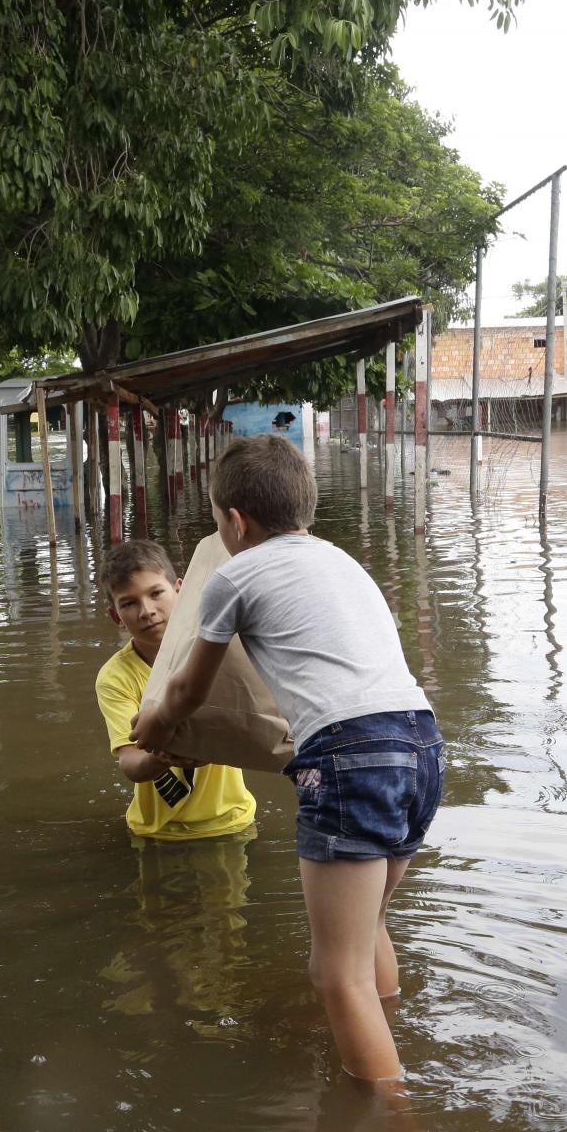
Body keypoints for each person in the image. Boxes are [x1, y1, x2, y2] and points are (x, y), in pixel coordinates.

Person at [135, 435, 441, 1083]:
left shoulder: (234, 575)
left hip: (349, 756)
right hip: (421, 744)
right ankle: (392, 1034)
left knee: (336, 975)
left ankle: (394, 1126)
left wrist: (152, 725)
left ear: (235, 521)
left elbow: (189, 691)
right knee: (368, 928)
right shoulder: (343, 561)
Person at [94, 540, 257, 843]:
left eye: (156, 593)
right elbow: (130, 762)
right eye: (129, 604)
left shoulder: (216, 651)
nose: (147, 611)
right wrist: (164, 757)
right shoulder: (116, 677)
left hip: (232, 821)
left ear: (180, 590)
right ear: (116, 616)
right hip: (156, 833)